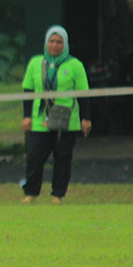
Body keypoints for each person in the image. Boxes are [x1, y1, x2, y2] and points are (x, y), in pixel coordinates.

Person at [21, 24, 92, 203]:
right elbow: (28, 91)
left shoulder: (75, 65)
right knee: (34, 157)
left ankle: (57, 195)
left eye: (59, 42)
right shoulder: (35, 63)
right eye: (51, 41)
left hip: (66, 120)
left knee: (62, 157)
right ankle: (31, 193)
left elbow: (84, 95)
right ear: (46, 43)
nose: (54, 45)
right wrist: (27, 116)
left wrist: (86, 118)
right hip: (40, 119)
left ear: (65, 44)